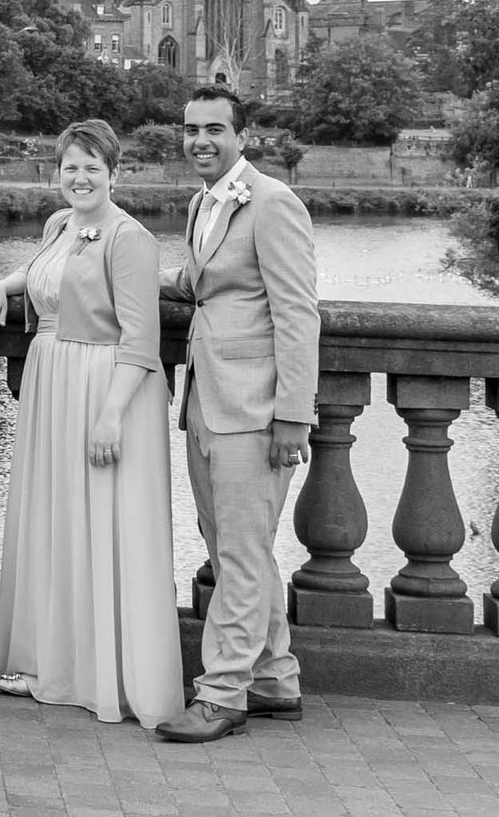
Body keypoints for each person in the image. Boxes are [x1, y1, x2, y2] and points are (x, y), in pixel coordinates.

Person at [0, 120, 183, 725]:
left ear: (115, 173)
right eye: (71, 166)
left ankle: (106, 673)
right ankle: (54, 661)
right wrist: (1, 284)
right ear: (57, 172)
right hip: (52, 382)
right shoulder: (58, 225)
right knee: (59, 520)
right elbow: (47, 275)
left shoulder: (130, 237)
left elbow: (141, 340)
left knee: (105, 524)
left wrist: (111, 415)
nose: (81, 177)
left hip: (105, 387)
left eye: (93, 167)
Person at [153, 85, 318, 742]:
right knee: (235, 550)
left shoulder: (273, 203)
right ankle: (275, 680)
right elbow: (199, 283)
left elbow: (298, 314)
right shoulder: (203, 202)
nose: (200, 140)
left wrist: (293, 415)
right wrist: (119, 275)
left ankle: (222, 696)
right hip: (206, 401)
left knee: (241, 556)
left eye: (214, 129)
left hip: (254, 410)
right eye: (191, 129)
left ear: (242, 137)